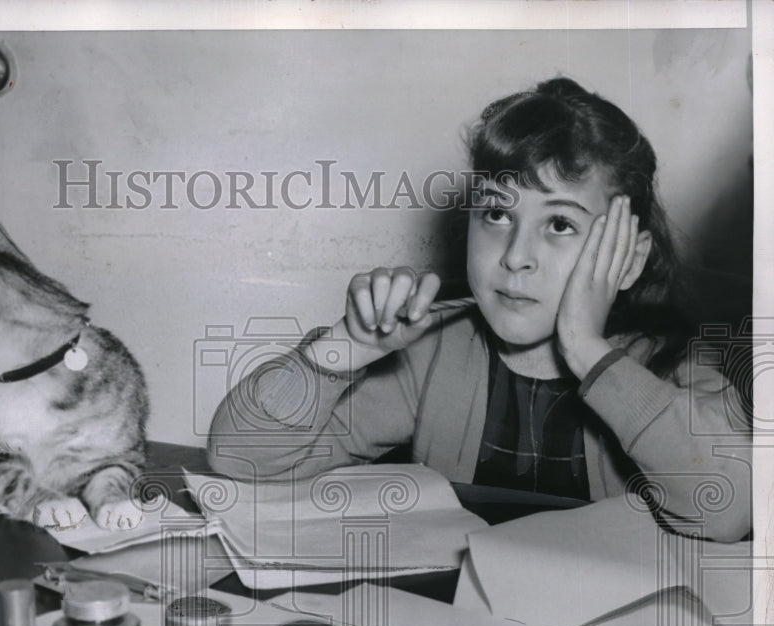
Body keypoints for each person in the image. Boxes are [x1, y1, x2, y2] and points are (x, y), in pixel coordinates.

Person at [207, 77, 750, 543]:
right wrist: (342, 350)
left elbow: (726, 509)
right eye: (495, 214)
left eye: (559, 224)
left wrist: (588, 350)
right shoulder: (434, 352)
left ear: (627, 259)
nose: (515, 257)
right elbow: (242, 459)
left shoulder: (671, 367)